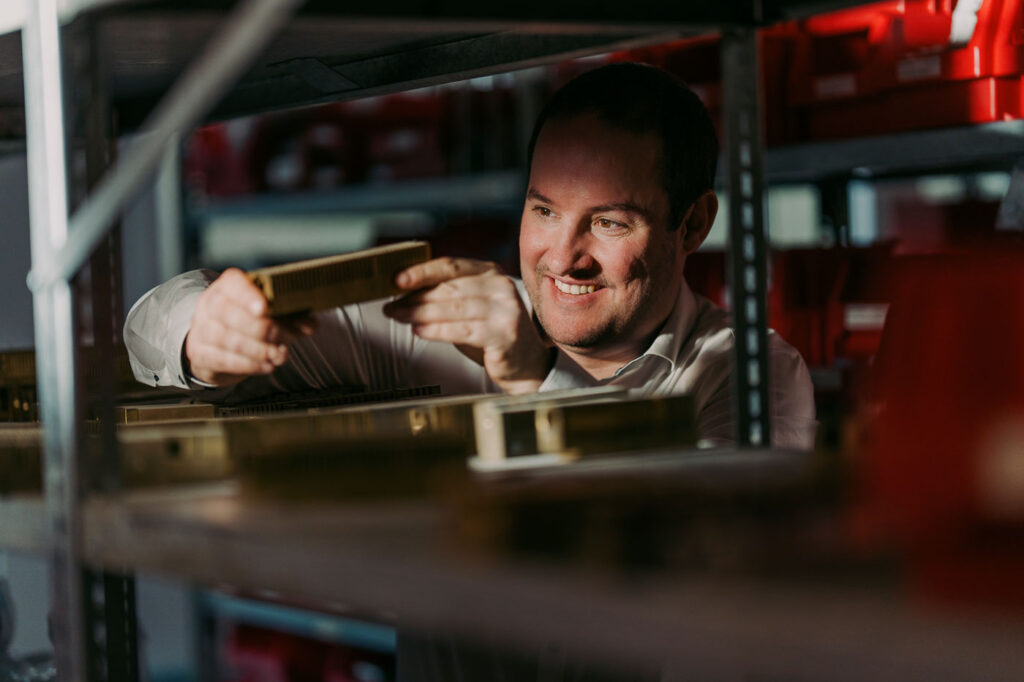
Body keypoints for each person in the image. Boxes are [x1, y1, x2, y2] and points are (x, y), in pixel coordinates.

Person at [124, 62, 816, 449]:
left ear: (693, 224)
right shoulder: (438, 331)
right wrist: (202, 335)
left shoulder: (751, 374)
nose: (562, 257)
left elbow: (694, 567)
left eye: (608, 223)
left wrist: (535, 382)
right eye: (543, 210)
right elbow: (145, 333)